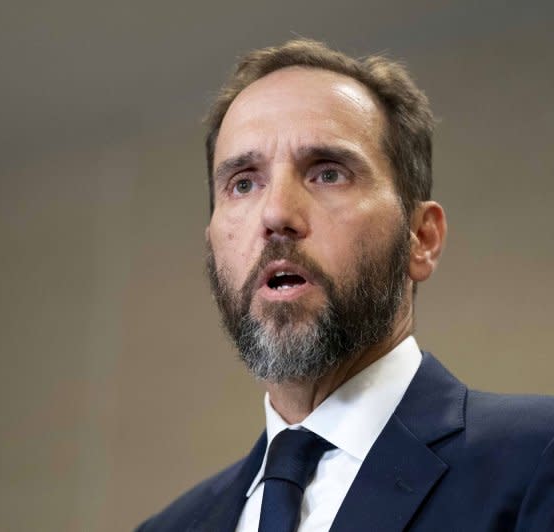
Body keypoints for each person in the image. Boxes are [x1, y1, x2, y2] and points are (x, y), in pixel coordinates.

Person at [136, 39, 554, 532]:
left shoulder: (537, 461)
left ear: (421, 238)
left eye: (327, 173)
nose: (275, 215)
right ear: (211, 243)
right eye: (243, 183)